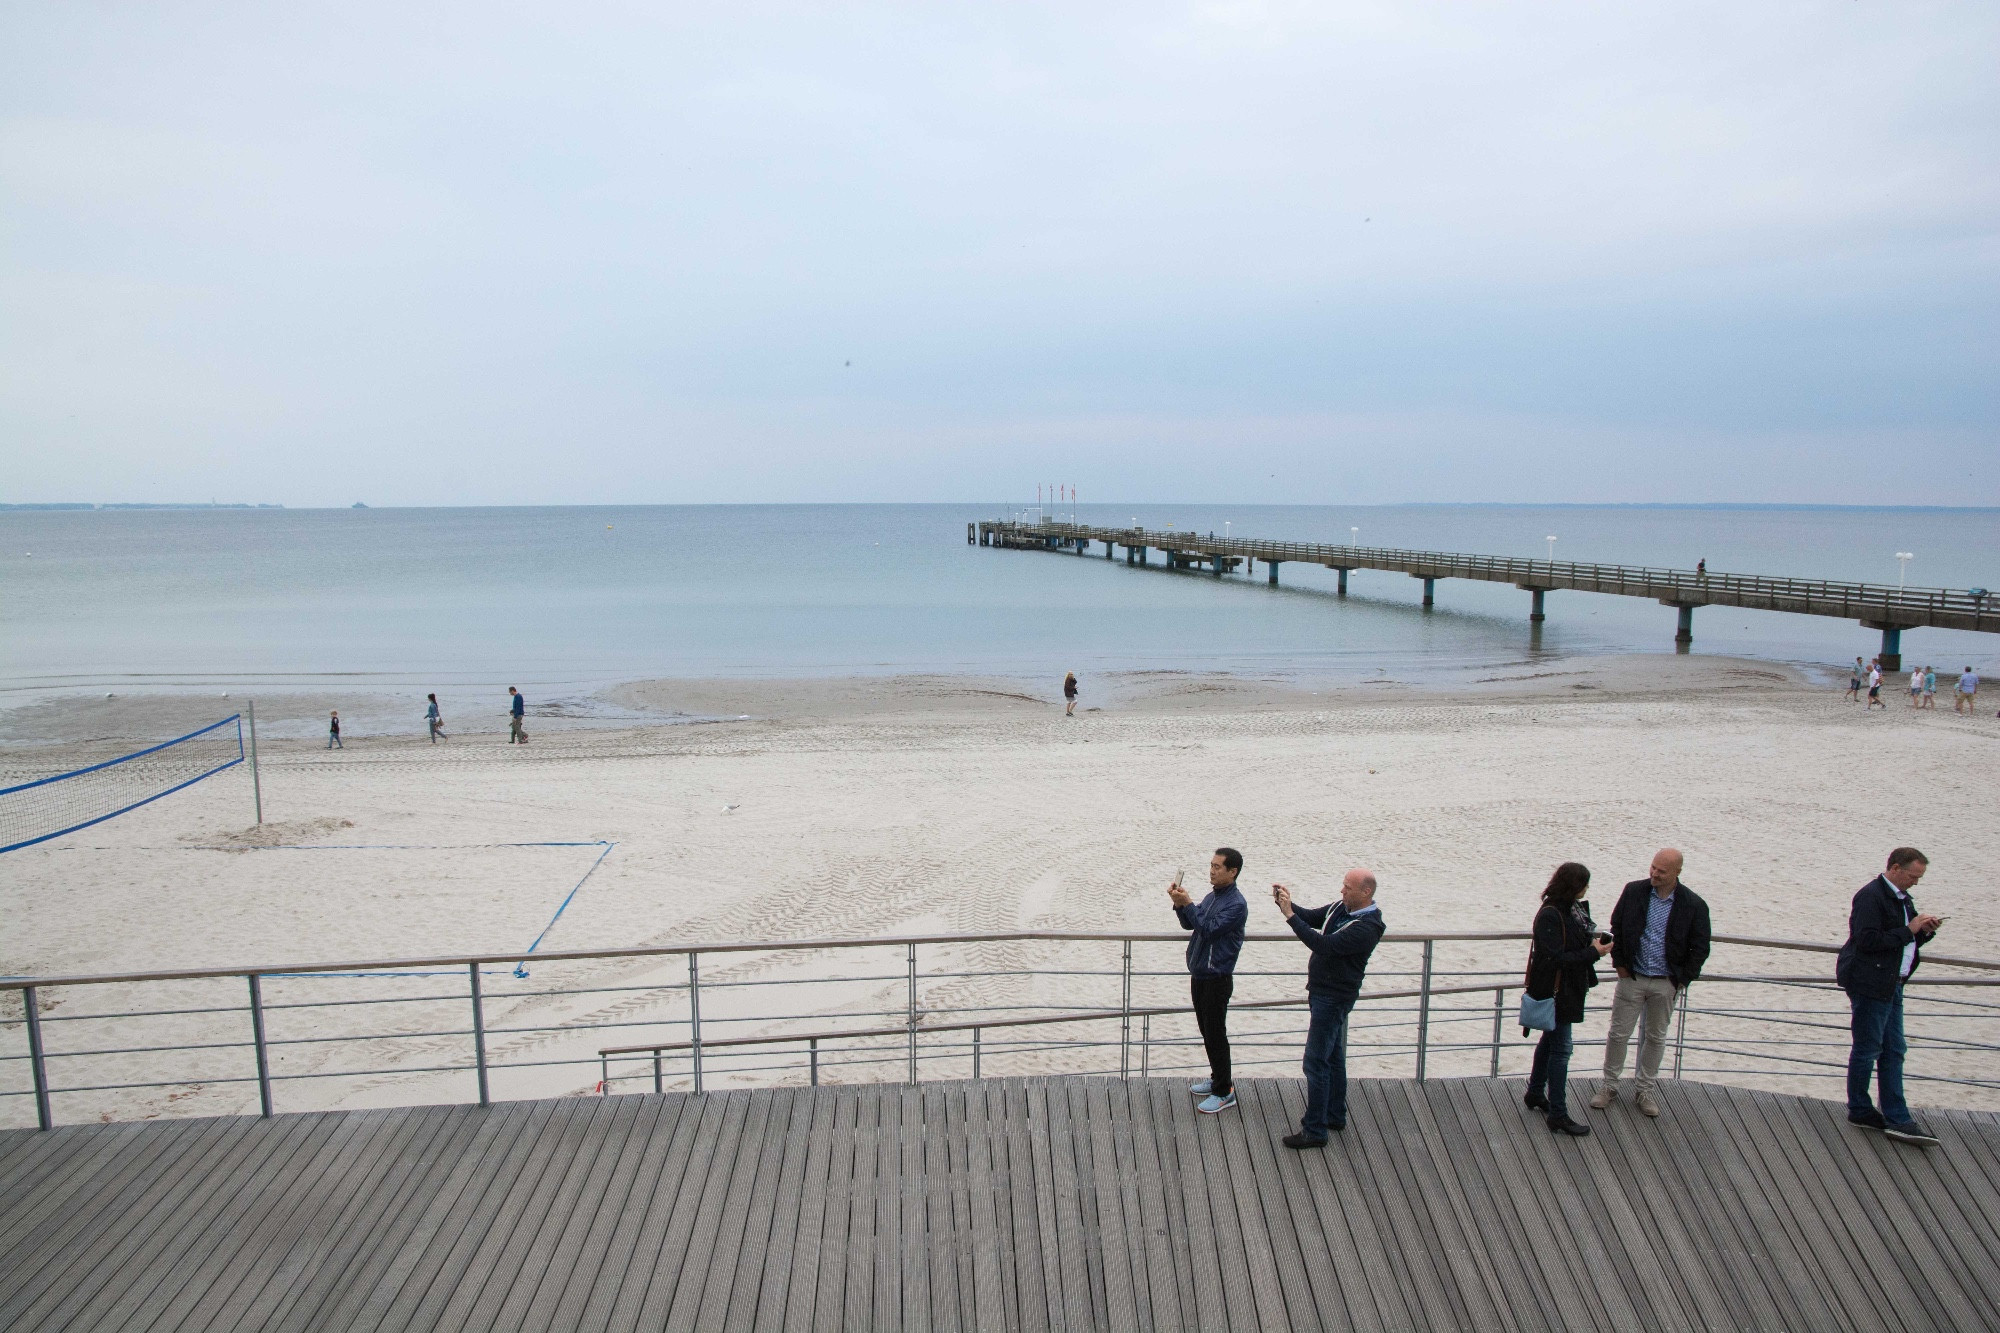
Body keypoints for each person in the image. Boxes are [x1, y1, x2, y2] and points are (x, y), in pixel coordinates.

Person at [1590, 849, 1711, 1118]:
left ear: (1677, 872)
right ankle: (1609, 1086)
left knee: (1656, 1037)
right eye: (1653, 867)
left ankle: (1645, 1090)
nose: (1654, 873)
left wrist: (1681, 980)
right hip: (1632, 976)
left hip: (1666, 982)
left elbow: (1700, 947)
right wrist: (1620, 966)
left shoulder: (1694, 905)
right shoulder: (1634, 891)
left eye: (1662, 871)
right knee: (1618, 1033)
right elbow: (1617, 926)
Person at [1272, 869, 1385, 1147]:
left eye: (1347, 887)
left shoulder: (1367, 928)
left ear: (1365, 893)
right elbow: (1311, 917)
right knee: (1333, 1057)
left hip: (1335, 997)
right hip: (1323, 992)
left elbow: (1322, 944)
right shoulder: (1341, 907)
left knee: (1315, 1061)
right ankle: (1334, 1115)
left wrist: (1289, 916)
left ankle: (1315, 1130)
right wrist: (1286, 903)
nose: (1341, 891)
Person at [1837, 848, 1942, 1147]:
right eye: (1913, 876)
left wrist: (1924, 932)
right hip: (1872, 982)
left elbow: (1902, 939)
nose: (1916, 883)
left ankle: (1896, 1115)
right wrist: (1909, 930)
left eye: (1919, 878)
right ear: (1895, 868)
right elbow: (1867, 939)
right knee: (1869, 1047)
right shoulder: (1871, 896)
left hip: (1891, 983)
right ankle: (1863, 1109)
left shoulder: (1902, 898)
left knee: (1894, 1049)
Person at [1523, 862, 1611, 1137]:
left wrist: (1593, 946)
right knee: (1562, 1050)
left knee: (1550, 1042)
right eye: (1585, 883)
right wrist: (1594, 953)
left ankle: (1536, 1092)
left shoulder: (1573, 910)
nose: (1587, 889)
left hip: (1568, 989)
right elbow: (1555, 957)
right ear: (1574, 886)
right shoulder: (1551, 914)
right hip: (1556, 992)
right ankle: (1558, 1114)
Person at [1169, 848, 1248, 1114]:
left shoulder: (1236, 904)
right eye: (1211, 865)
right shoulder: (1213, 897)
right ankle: (1217, 1078)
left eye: (1217, 867)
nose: (1212, 871)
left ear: (1232, 871)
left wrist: (1189, 904)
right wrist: (1181, 906)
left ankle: (1224, 1091)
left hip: (1217, 977)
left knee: (1216, 1034)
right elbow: (1191, 924)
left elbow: (1210, 930)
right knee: (1207, 1031)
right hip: (1201, 973)